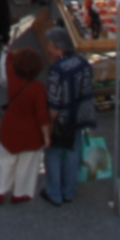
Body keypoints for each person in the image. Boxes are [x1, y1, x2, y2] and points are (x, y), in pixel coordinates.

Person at [42, 27, 94, 206]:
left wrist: (49, 125)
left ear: (58, 48)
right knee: (73, 152)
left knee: (53, 154)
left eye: (50, 45)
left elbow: (54, 105)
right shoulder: (83, 62)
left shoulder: (57, 70)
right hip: (80, 116)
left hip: (63, 119)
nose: (48, 48)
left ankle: (54, 193)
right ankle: (69, 192)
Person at [0, 46, 50, 205]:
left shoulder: (12, 78)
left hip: (10, 127)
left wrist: (13, 53)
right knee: (27, 164)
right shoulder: (38, 88)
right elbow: (42, 116)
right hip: (31, 133)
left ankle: (0, 190)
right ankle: (20, 193)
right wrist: (46, 136)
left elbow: (8, 60)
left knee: (4, 160)